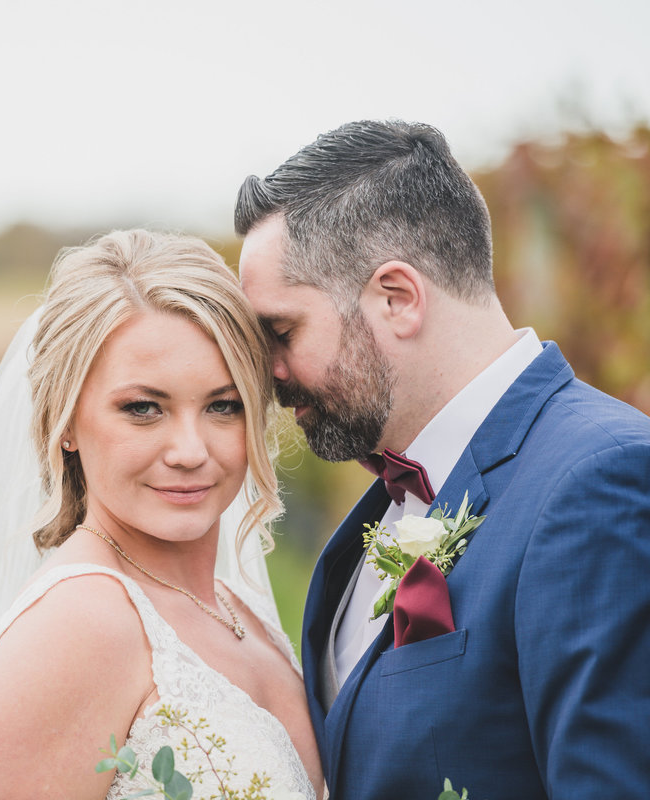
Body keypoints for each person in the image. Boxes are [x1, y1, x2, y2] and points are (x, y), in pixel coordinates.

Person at [234, 119, 650, 799]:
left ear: (396, 299)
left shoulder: (601, 483)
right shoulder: (379, 513)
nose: (269, 374)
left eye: (282, 331)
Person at [0, 229, 323, 800]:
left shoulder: (240, 608)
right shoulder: (76, 626)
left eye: (223, 405)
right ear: (65, 420)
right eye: (143, 409)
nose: (190, 450)